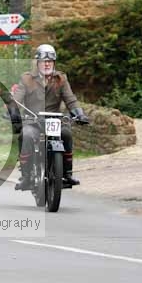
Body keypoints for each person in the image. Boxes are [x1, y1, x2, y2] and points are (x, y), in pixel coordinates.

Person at [10, 44, 89, 190]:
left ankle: (67, 173)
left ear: (54, 63)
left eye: (50, 61)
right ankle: (26, 176)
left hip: (54, 121)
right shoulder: (27, 79)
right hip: (33, 121)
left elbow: (70, 99)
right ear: (38, 62)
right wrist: (13, 111)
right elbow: (17, 98)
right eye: (43, 61)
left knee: (66, 134)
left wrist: (79, 113)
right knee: (26, 135)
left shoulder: (61, 79)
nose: (47, 64)